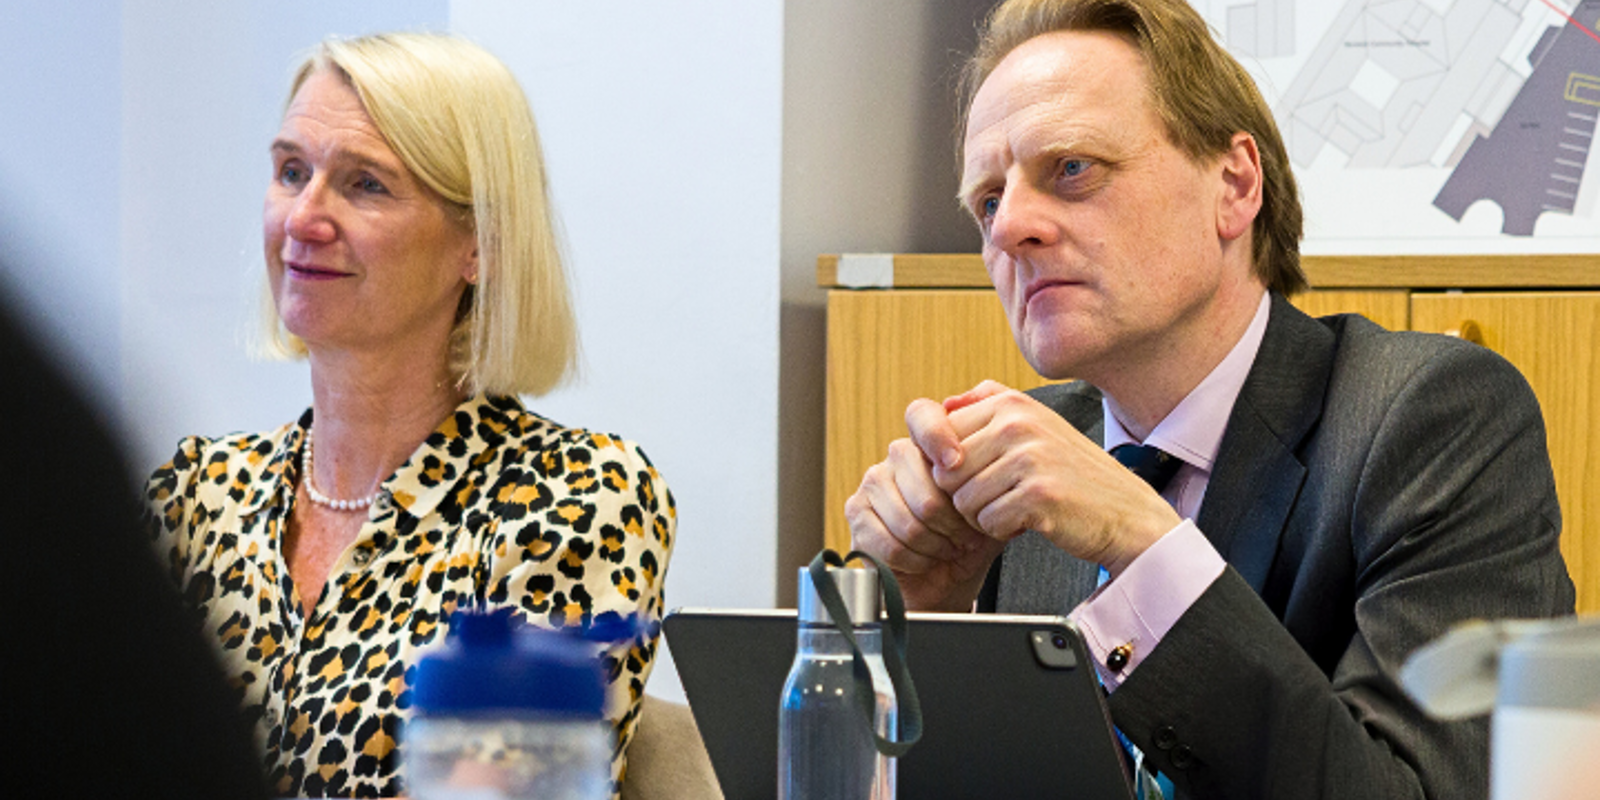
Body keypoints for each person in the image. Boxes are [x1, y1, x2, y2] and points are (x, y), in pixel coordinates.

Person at [846, 1, 1575, 798]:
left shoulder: (1433, 417)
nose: (1010, 224)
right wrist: (919, 625)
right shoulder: (1020, 456)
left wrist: (1142, 543)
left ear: (1234, 184)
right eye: (987, 201)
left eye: (1073, 169)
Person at [142, 33, 676, 798]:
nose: (304, 218)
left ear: (481, 245)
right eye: (292, 171)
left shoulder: (577, 497)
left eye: (366, 185)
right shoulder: (194, 495)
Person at [0, 286, 269, 800]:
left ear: (473, 255)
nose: (307, 221)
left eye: (371, 196)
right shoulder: (200, 489)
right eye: (292, 196)